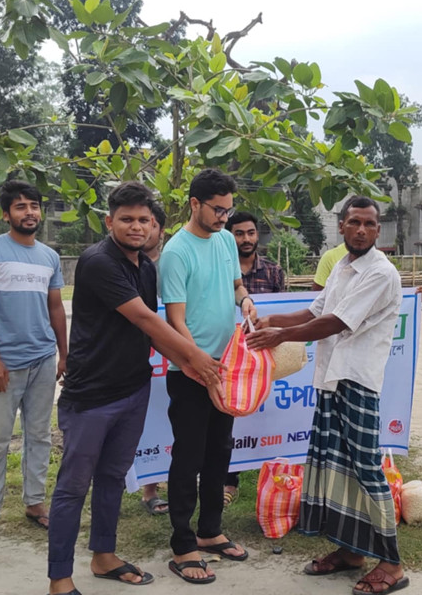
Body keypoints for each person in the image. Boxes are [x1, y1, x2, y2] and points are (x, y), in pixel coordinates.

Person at [48, 182, 222, 595]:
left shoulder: (145, 266)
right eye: (126, 219)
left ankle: (104, 555)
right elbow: (147, 320)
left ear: (156, 227)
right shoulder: (97, 262)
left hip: (132, 389)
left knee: (111, 477)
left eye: (145, 220)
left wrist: (189, 365)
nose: (136, 226)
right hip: (91, 396)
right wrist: (197, 359)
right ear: (109, 221)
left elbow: (152, 334)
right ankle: (59, 579)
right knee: (73, 487)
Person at [247, 196, 408, 595]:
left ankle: (392, 563)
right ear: (342, 226)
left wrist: (279, 335)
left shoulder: (380, 273)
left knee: (366, 468)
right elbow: (314, 311)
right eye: (355, 222)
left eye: (370, 224)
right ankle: (351, 551)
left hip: (357, 381)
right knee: (334, 466)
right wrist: (272, 320)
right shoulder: (342, 266)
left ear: (378, 229)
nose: (362, 230)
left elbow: (335, 322)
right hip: (330, 380)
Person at [159, 168, 255, 584]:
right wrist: (198, 361)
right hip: (191, 371)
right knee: (188, 456)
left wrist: (247, 300)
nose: (223, 218)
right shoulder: (176, 252)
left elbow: (235, 284)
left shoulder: (224, 241)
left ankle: (210, 531)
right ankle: (183, 546)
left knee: (220, 451)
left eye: (228, 210)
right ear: (194, 204)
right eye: (217, 210)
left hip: (226, 365)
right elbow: (174, 319)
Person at [0, 180, 67, 546]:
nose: (29, 213)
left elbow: (55, 307)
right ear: (6, 214)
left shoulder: (49, 257)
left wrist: (63, 353)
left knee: (38, 436)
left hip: (42, 359)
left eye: (34, 206)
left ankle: (35, 503)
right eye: (20, 207)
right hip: (3, 363)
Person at [221, 211, 285, 506]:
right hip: (230, 358)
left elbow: (284, 312)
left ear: (257, 235)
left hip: (263, 357)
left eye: (250, 233)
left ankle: (271, 473)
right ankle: (228, 480)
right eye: (238, 233)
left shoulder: (273, 271)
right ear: (228, 235)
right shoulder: (222, 272)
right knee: (230, 416)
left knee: (267, 416)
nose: (245, 239)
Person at [140, 202, 169, 516]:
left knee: (168, 418)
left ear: (160, 230)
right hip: (138, 357)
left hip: (170, 355)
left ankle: (167, 481)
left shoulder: (170, 263)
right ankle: (149, 487)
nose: (143, 230)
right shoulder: (115, 264)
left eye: (149, 223)